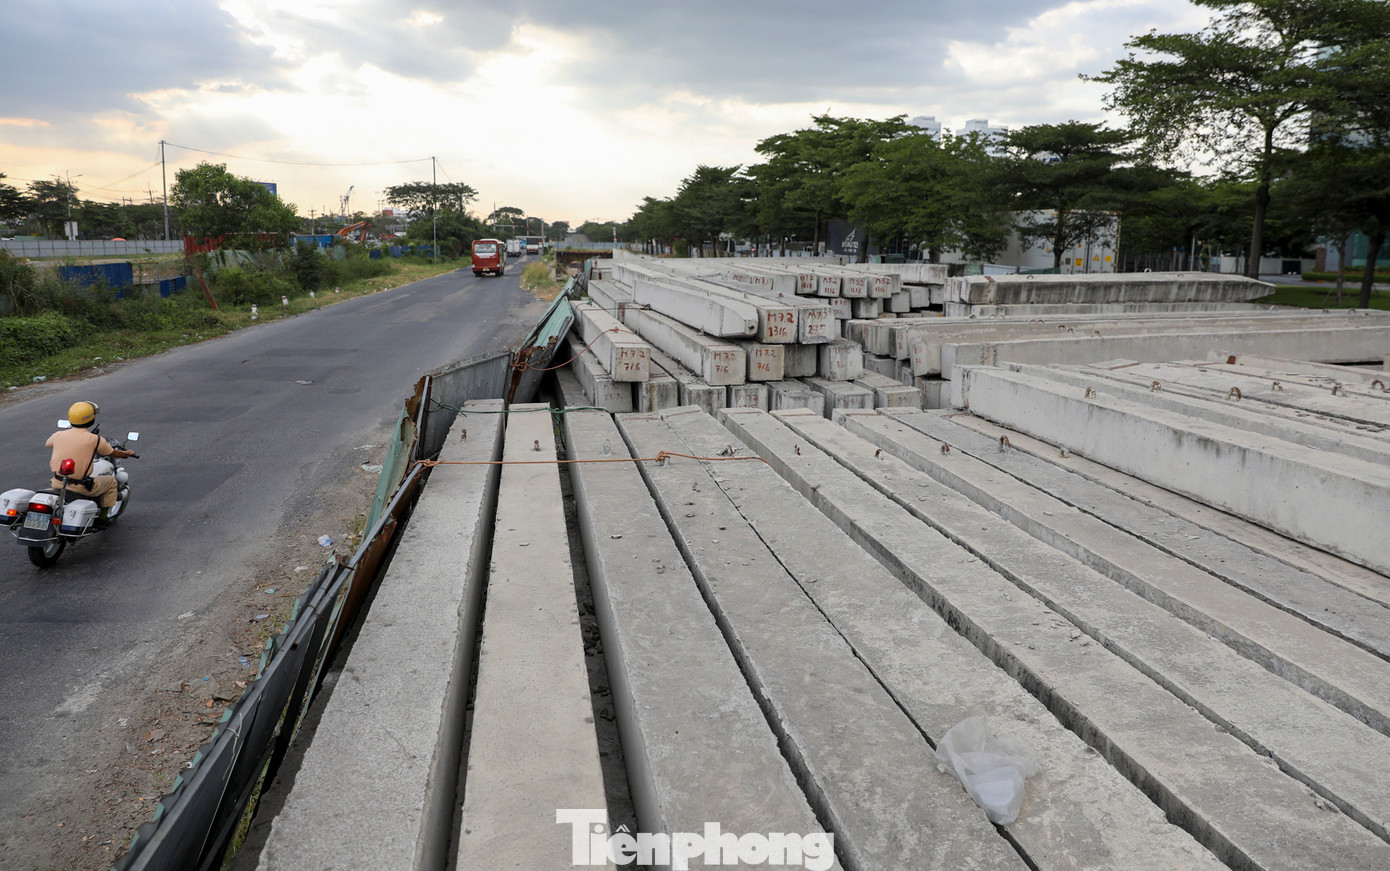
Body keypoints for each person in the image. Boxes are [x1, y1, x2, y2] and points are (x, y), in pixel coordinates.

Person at [45, 401, 136, 524]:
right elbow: (113, 453)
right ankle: (103, 518)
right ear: (90, 419)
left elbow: (48, 443)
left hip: (57, 483)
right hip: (80, 487)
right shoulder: (95, 439)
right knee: (111, 483)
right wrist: (127, 453)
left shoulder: (58, 435)